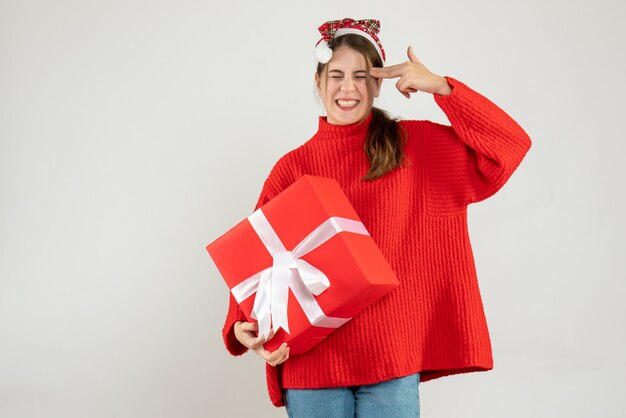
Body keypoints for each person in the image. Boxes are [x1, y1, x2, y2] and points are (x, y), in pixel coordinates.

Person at [221, 17, 532, 418]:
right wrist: (240, 325)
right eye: (335, 75)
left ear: (378, 84)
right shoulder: (293, 168)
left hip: (391, 359)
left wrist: (442, 87)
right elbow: (255, 260)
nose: (347, 87)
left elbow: (509, 147)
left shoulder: (416, 147)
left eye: (360, 76)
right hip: (313, 366)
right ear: (318, 83)